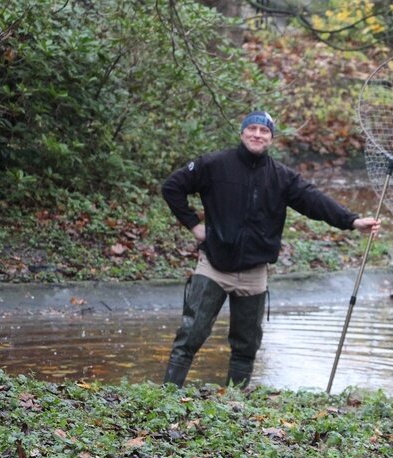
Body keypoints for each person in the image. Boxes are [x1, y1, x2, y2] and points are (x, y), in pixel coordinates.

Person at [161, 110, 380, 389]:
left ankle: (235, 404)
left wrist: (352, 221)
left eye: (264, 131)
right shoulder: (214, 165)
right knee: (190, 336)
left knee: (246, 346)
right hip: (213, 266)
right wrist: (193, 225)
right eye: (251, 128)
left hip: (255, 273)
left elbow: (314, 200)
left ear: (271, 139)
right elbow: (172, 187)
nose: (257, 134)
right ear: (242, 133)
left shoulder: (282, 177)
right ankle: (167, 396)